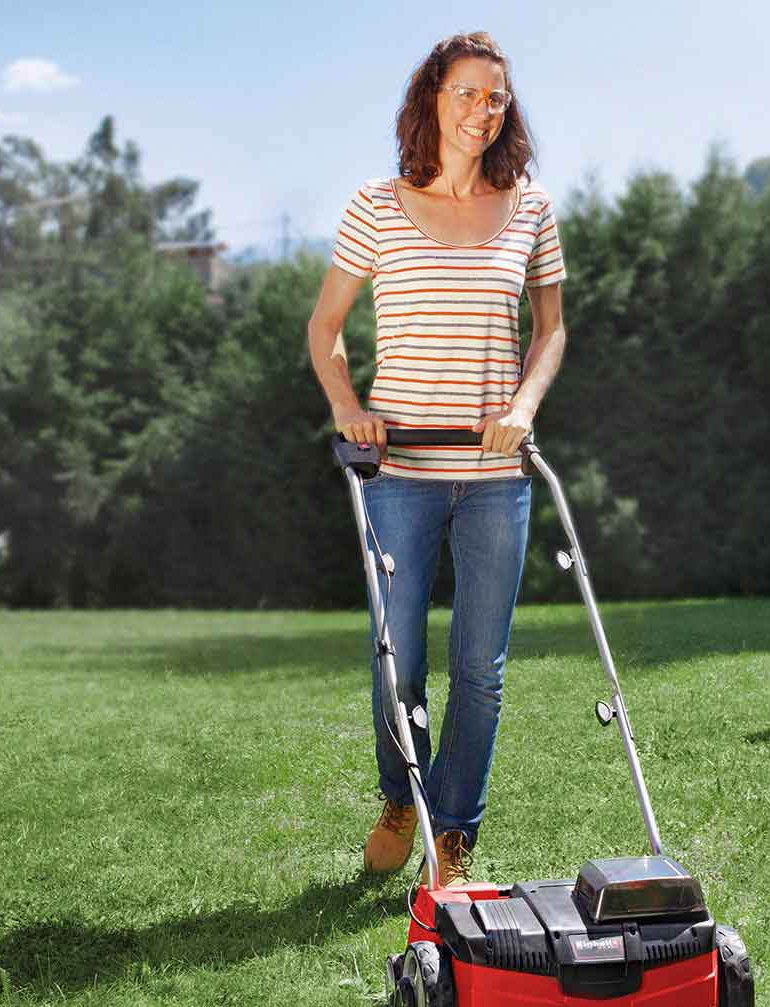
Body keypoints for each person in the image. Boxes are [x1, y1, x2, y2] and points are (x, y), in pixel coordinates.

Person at [305, 31, 567, 887]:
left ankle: (451, 835)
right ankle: (399, 798)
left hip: (495, 480)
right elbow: (325, 329)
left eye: (497, 97)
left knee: (480, 672)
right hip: (403, 478)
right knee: (400, 659)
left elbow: (552, 330)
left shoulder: (529, 206)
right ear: (432, 99)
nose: (483, 111)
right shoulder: (375, 206)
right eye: (466, 93)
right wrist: (350, 407)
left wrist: (523, 409)